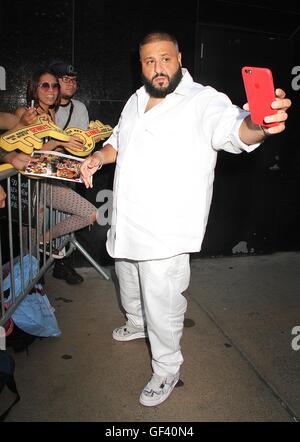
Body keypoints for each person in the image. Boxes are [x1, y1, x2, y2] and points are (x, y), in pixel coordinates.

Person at [80, 32, 291, 407]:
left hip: (166, 230)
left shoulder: (202, 101)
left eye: (164, 59)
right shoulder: (137, 99)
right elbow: (120, 139)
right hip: (128, 219)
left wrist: (259, 124)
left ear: (179, 57)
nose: (158, 68)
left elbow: (234, 129)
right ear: (140, 65)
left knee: (161, 299)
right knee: (127, 275)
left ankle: (166, 367)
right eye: (149, 61)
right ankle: (136, 322)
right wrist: (100, 156)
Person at [13, 69, 97, 266]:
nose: (51, 90)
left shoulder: (52, 113)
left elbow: (52, 151)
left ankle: (45, 238)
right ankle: (28, 289)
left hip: (48, 181)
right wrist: (62, 141)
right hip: (29, 185)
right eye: (45, 85)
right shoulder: (23, 113)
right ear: (35, 89)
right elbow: (29, 154)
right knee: (29, 252)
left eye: (54, 86)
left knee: (90, 213)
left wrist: (71, 143)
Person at [48, 60, 89, 283]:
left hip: (67, 173)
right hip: (41, 176)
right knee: (40, 220)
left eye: (73, 80)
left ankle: (63, 264)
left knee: (68, 219)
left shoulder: (79, 108)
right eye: (65, 79)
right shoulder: (42, 107)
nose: (71, 84)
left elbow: (82, 144)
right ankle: (35, 270)